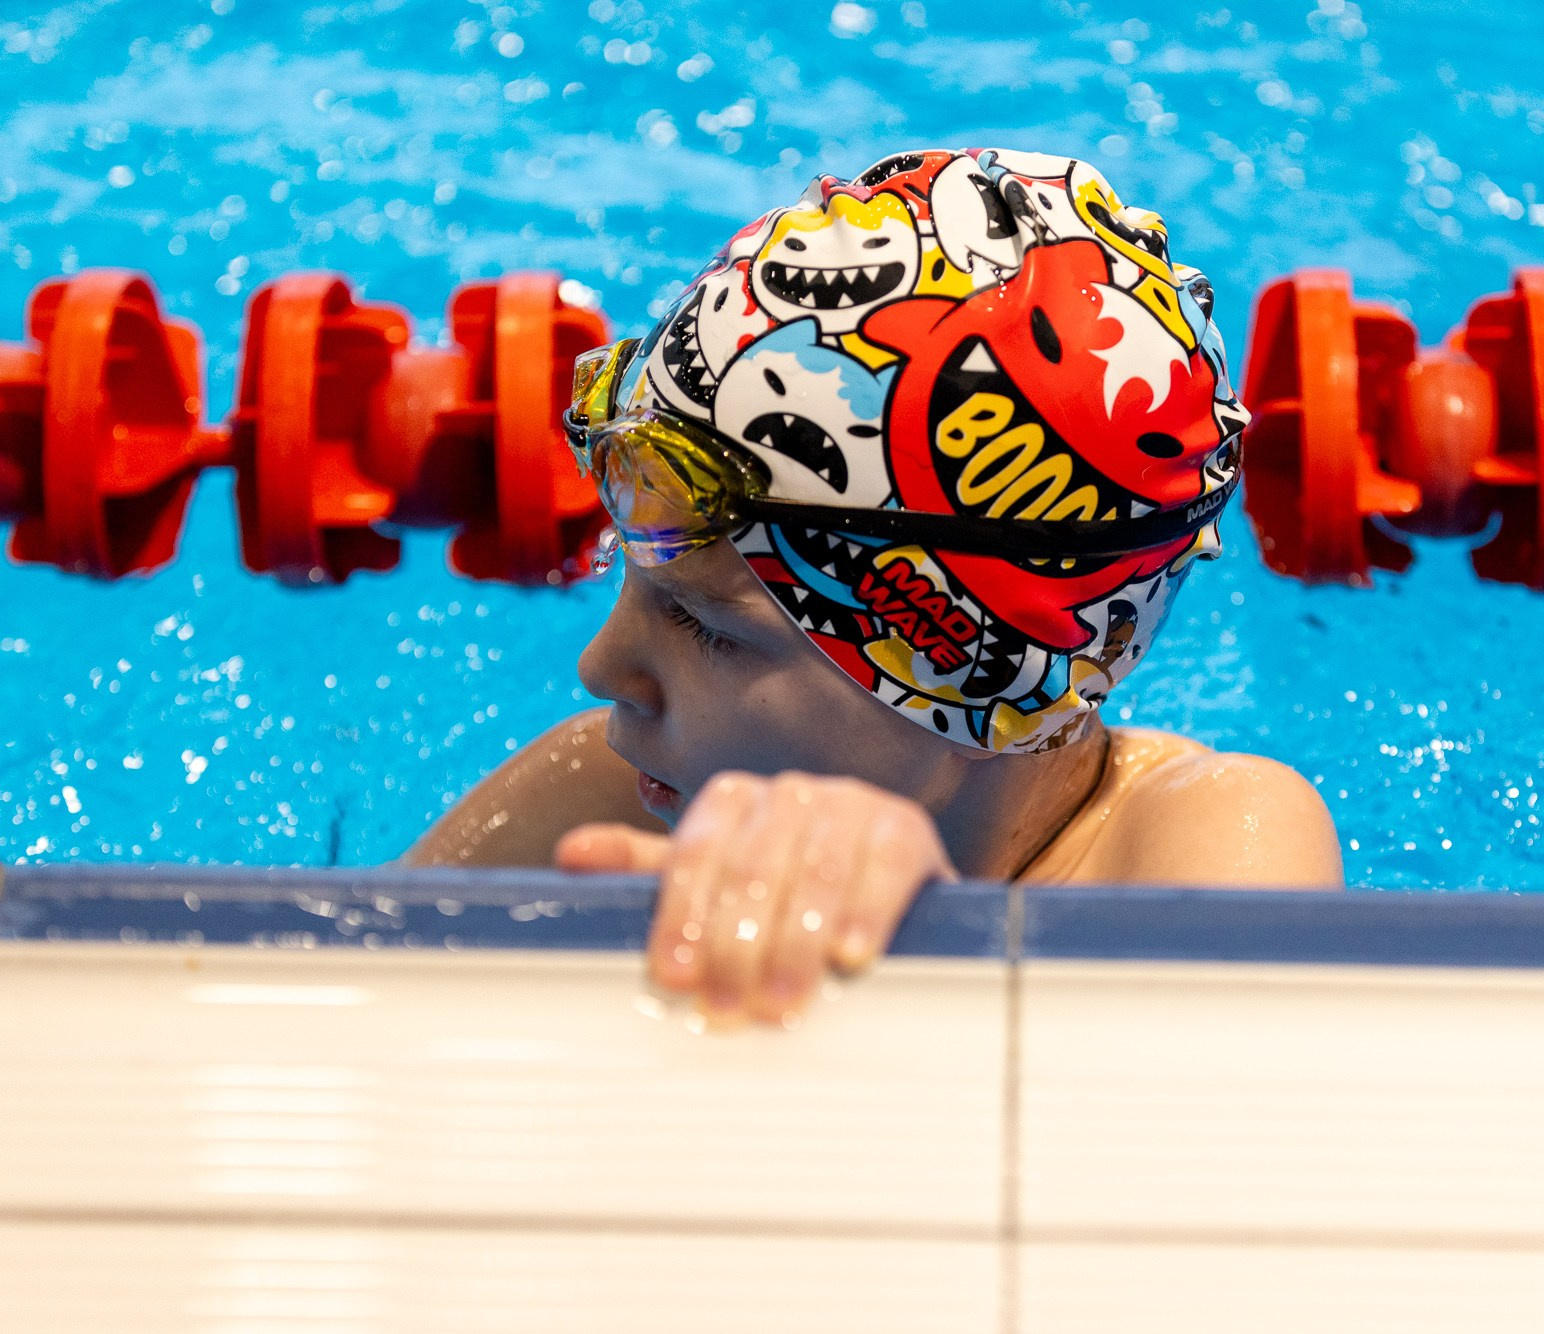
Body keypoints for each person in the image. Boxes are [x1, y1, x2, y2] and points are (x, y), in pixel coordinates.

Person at [407, 148, 1341, 1027]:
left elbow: (1228, 1158)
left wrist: (932, 932)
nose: (601, 666)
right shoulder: (610, 791)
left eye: (706, 627)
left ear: (976, 676)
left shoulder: (1210, 837)